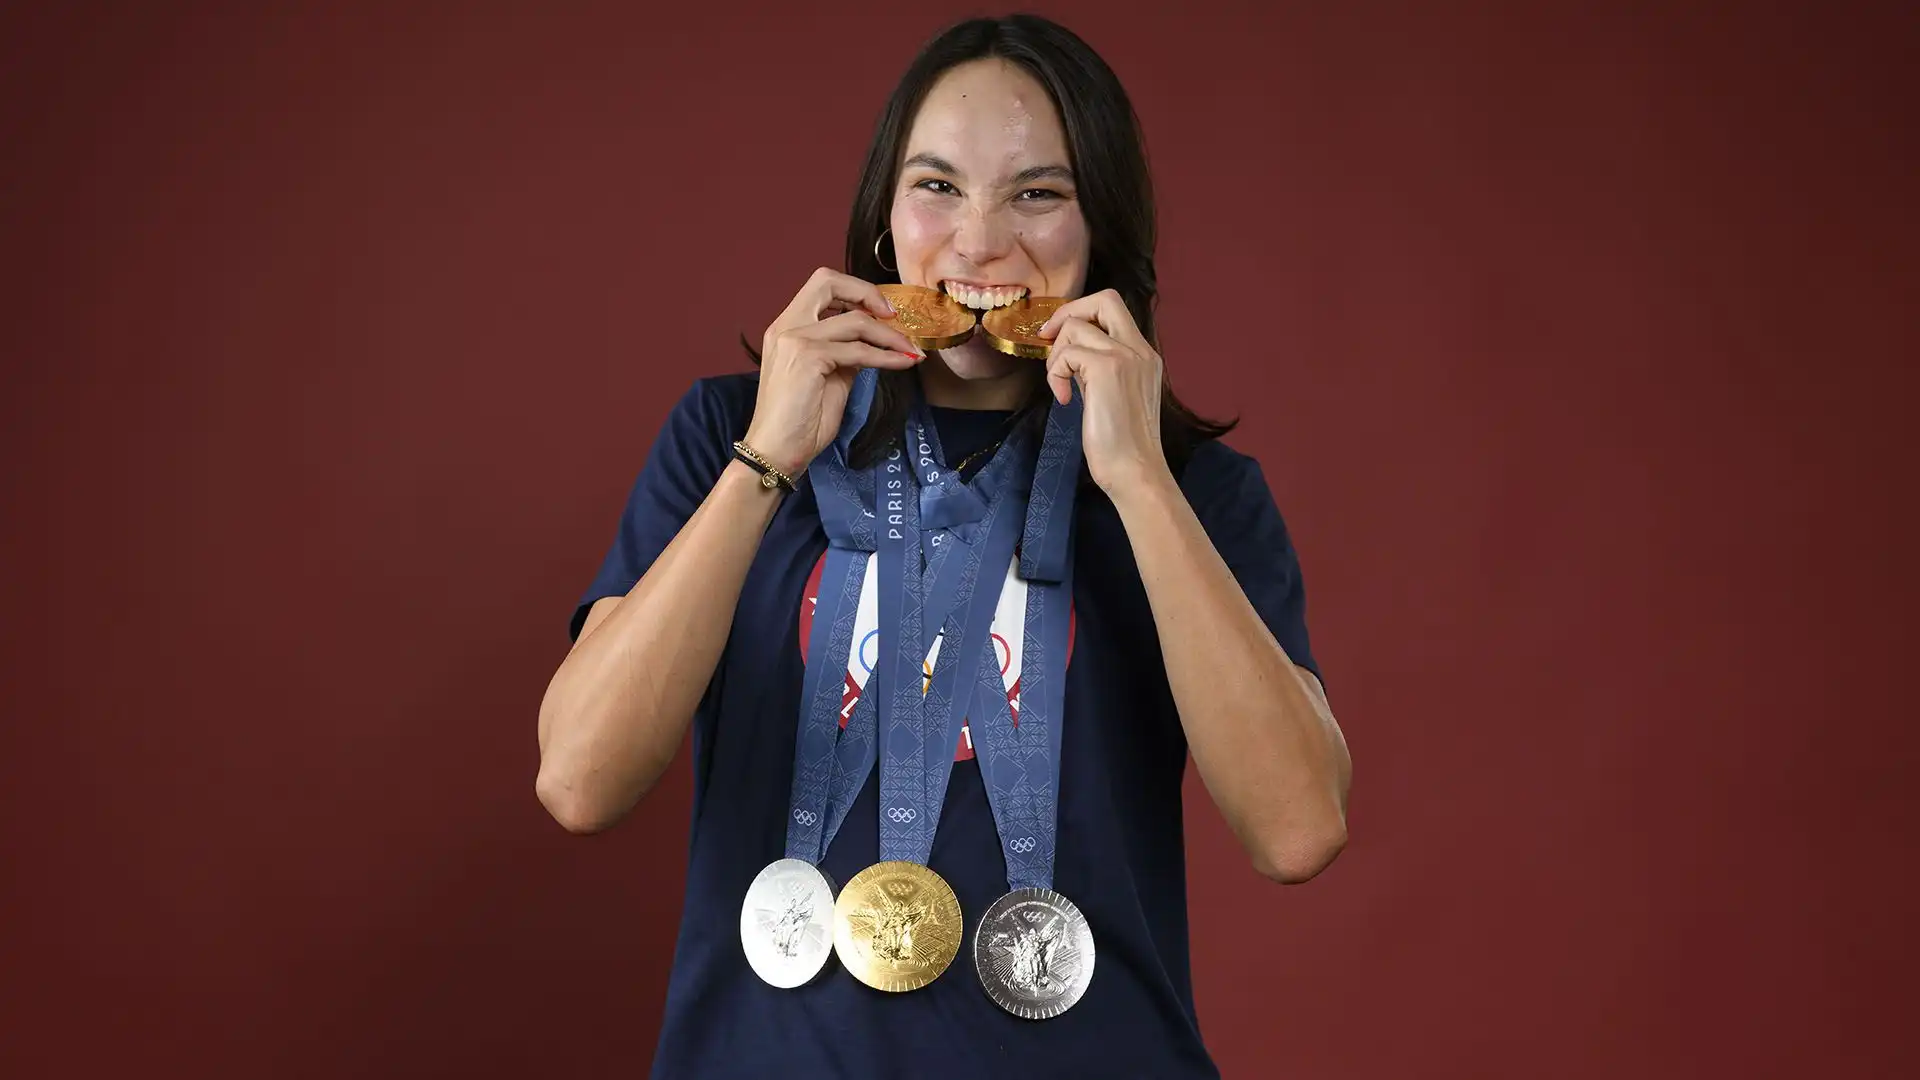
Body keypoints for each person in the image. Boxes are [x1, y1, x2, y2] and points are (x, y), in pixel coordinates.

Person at [536, 14, 1351, 1079]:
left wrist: (1139, 477)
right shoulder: (729, 437)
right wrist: (767, 460)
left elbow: (1298, 833)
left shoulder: (1193, 491)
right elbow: (579, 782)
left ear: (1102, 227)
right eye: (937, 187)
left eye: (1037, 194)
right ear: (883, 217)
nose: (977, 243)